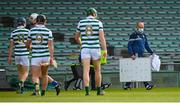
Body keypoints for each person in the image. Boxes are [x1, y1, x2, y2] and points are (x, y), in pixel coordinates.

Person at [75, 8, 107, 96]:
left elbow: (76, 37)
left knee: (86, 70)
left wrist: (82, 44)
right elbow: (101, 38)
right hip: (95, 49)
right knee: (97, 70)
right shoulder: (98, 22)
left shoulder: (81, 22)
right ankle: (99, 90)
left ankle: (87, 92)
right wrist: (104, 50)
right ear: (94, 14)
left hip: (85, 49)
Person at [27, 13, 61, 96]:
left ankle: (36, 89)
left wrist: (31, 47)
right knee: (44, 74)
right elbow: (50, 46)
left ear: (36, 21)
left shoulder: (31, 31)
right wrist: (51, 58)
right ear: (44, 21)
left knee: (35, 75)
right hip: (45, 55)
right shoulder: (48, 31)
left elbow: (27, 45)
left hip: (36, 56)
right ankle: (43, 92)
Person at [124, 21, 154, 90]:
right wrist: (132, 54)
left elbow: (146, 45)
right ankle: (146, 85)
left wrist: (152, 52)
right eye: (140, 27)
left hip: (141, 54)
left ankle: (127, 85)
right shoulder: (133, 35)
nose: (141, 28)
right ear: (137, 27)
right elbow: (129, 46)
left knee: (136, 70)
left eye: (142, 27)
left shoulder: (143, 35)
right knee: (140, 70)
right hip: (135, 55)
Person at [8, 17, 30, 94]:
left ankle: (21, 89)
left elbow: (11, 46)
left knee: (20, 72)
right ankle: (21, 82)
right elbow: (30, 44)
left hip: (17, 54)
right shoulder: (28, 31)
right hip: (25, 54)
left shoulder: (13, 32)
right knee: (26, 72)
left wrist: (9, 57)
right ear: (24, 23)